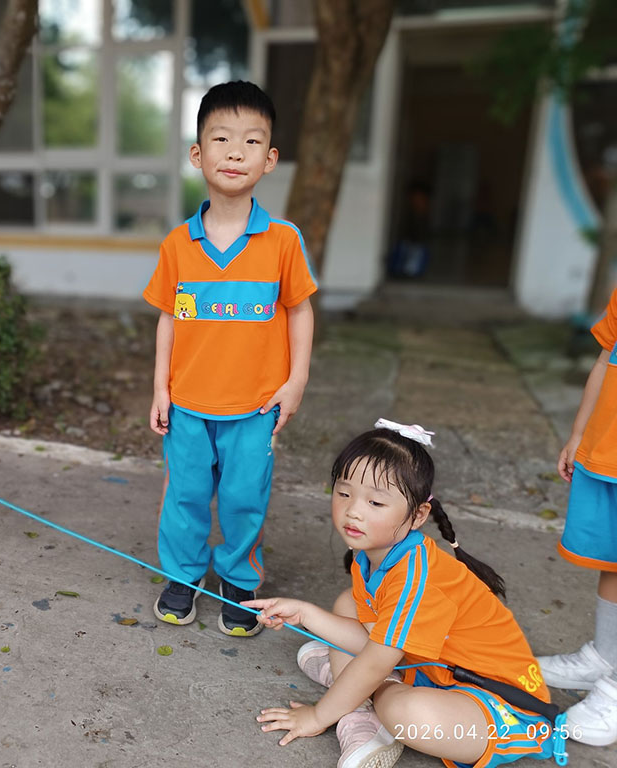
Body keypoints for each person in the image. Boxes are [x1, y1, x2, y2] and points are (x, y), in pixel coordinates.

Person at [243, 423, 557, 768]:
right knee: (349, 603)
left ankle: (361, 702)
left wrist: (318, 716)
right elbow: (377, 641)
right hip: (432, 671)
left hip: (501, 705)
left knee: (404, 712)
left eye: (375, 502)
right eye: (344, 493)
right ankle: (357, 701)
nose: (354, 511)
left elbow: (378, 656)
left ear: (418, 515)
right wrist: (305, 614)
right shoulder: (373, 556)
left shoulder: (415, 577)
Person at [142, 80, 317, 637]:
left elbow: (300, 311)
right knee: (185, 497)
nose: (235, 152)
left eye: (251, 141)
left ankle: (240, 583)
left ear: (270, 159)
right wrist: (161, 389)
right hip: (189, 406)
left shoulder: (283, 241)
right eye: (221, 138)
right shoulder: (178, 244)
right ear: (198, 154)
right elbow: (169, 319)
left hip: (255, 407)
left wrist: (296, 381)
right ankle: (183, 577)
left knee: (245, 499)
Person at [537, 285, 617, 748]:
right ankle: (605, 657)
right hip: (608, 453)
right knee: (612, 559)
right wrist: (579, 432)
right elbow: (606, 360)